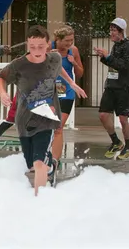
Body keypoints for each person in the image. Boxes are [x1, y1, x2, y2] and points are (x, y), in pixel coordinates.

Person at [0, 25, 87, 195]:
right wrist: (2, 93)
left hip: (49, 115)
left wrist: (72, 83)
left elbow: (58, 67)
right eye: (32, 47)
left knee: (40, 163)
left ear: (47, 45)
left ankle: (40, 199)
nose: (37, 51)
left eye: (40, 46)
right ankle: (49, 165)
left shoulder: (54, 58)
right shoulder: (20, 64)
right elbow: (1, 77)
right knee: (32, 163)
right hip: (27, 119)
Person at [94, 18, 129, 159]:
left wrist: (108, 56)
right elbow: (114, 64)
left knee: (123, 118)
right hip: (111, 85)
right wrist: (104, 57)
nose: (111, 33)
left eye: (114, 30)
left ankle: (128, 146)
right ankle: (115, 141)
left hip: (124, 86)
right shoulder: (116, 45)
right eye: (111, 30)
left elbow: (126, 66)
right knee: (103, 115)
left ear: (121, 32)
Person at [50, 26, 84, 165]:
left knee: (58, 127)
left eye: (72, 40)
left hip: (66, 93)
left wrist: (74, 63)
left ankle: (54, 161)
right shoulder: (48, 47)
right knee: (47, 126)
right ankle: (45, 154)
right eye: (66, 41)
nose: (69, 44)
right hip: (49, 92)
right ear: (58, 39)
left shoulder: (73, 51)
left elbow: (81, 73)